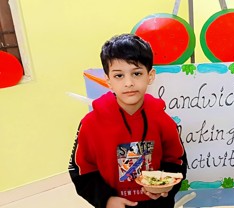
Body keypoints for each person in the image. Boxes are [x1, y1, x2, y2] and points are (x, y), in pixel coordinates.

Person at [68, 34, 187, 208]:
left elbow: (177, 160)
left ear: (150, 76)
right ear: (108, 80)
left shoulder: (163, 120)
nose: (129, 83)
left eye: (137, 73)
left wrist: (165, 189)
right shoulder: (91, 123)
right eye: (119, 76)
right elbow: (80, 169)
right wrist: (106, 199)